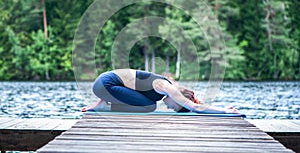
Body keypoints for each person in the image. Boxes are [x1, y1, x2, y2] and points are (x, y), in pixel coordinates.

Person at [82, 69, 240, 114]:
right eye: (176, 106)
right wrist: (225, 110)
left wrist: (194, 98)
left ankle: (103, 103)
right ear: (177, 97)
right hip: (105, 84)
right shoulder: (164, 87)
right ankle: (104, 106)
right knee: (149, 106)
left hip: (105, 86)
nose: (171, 108)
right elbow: (195, 108)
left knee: (150, 104)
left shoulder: (170, 85)